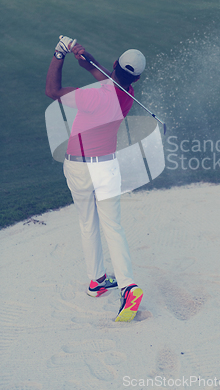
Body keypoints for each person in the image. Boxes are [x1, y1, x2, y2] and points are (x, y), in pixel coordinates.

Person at [45, 35, 145, 322]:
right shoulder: (127, 95)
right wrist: (84, 56)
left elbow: (52, 90)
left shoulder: (92, 94)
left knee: (87, 222)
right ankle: (123, 285)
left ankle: (97, 279)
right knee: (113, 225)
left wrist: (59, 54)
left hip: (78, 168)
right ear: (135, 77)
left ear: (114, 64)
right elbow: (109, 76)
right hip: (107, 168)